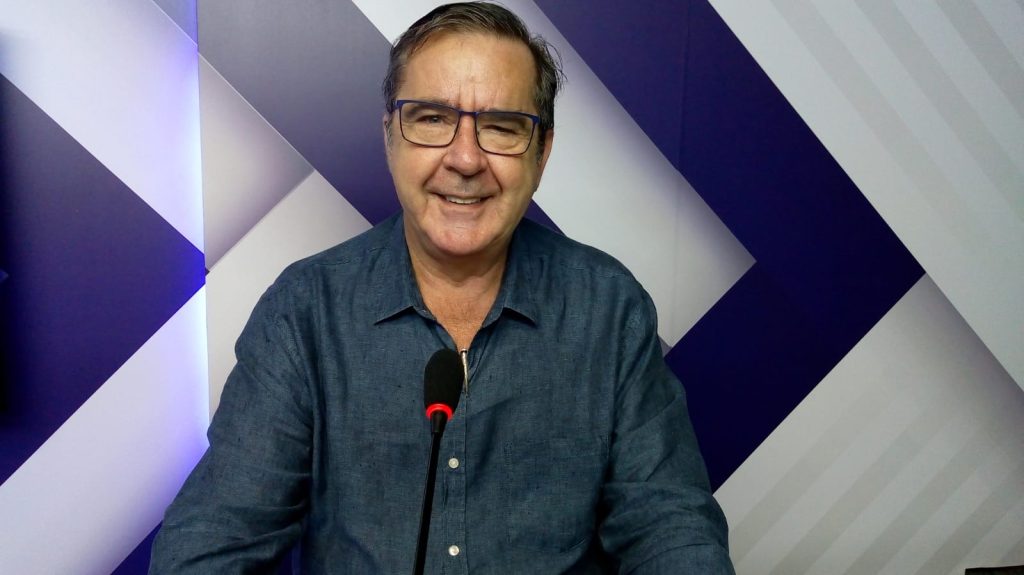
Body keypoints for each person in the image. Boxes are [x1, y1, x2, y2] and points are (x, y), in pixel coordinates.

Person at [150, 3, 734, 573]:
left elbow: (670, 530)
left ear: (542, 153)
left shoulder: (608, 308)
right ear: (390, 136)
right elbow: (210, 546)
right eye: (432, 119)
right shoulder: (305, 310)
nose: (465, 159)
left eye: (501, 126)